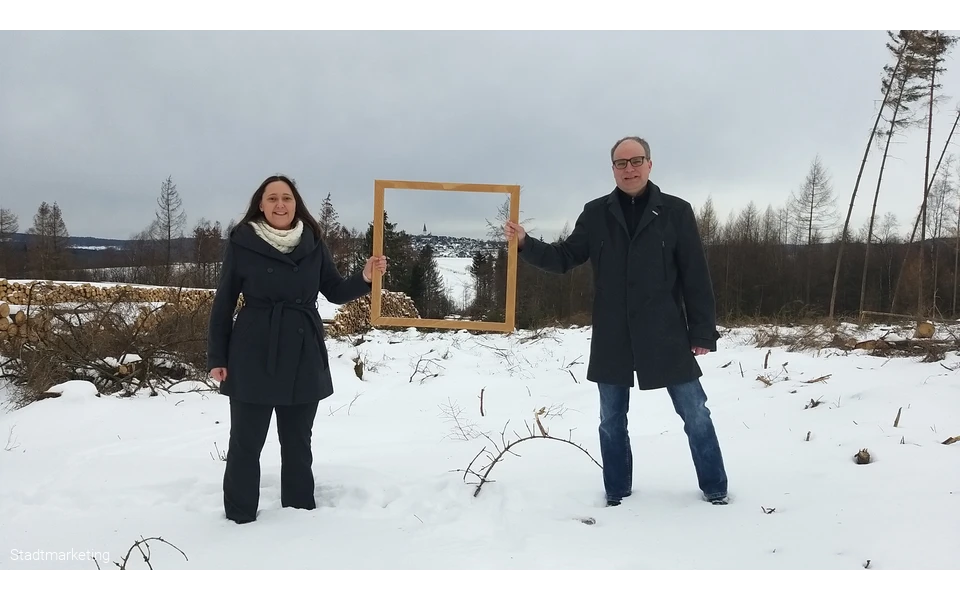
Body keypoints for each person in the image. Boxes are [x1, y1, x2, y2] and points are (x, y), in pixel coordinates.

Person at [504, 136, 728, 507]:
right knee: (611, 420)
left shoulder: (676, 212)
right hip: (612, 335)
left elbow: (695, 277)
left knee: (696, 412)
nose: (629, 169)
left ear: (650, 164)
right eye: (621, 163)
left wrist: (702, 330)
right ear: (613, 169)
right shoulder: (596, 214)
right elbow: (565, 257)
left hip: (666, 332)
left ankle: (715, 487)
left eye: (636, 161)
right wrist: (527, 243)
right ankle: (617, 490)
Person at [207, 174, 387, 524]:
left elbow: (334, 290)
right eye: (272, 198)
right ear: (260, 204)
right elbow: (223, 302)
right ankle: (239, 518)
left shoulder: (313, 241)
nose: (279, 205)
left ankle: (300, 515)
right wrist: (218, 357)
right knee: (245, 444)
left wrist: (365, 277)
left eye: (286, 198)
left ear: (296, 203)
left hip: (303, 351)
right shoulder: (242, 242)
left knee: (298, 444)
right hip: (252, 351)